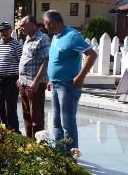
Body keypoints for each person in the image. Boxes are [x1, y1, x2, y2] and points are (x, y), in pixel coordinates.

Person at [43, 9, 97, 151]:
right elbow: (56, 60)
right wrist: (51, 79)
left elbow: (92, 55)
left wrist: (80, 76)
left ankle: (71, 158)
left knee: (68, 124)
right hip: (55, 84)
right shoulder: (56, 37)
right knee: (56, 123)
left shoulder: (72, 36)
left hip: (67, 85)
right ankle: (60, 153)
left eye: (46, 24)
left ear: (52, 23)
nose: (45, 27)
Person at [17, 15, 50, 142]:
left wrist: (36, 82)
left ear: (32, 25)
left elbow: (46, 61)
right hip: (24, 83)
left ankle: (39, 146)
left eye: (23, 25)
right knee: (26, 116)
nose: (21, 28)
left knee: (36, 117)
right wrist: (19, 81)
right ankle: (29, 142)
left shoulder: (42, 38)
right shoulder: (27, 38)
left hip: (34, 84)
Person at [0, 20, 22, 131]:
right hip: (0, 80)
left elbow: (21, 62)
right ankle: (4, 129)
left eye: (6, 31)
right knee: (0, 107)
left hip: (11, 80)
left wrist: (19, 79)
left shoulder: (16, 45)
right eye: (1, 31)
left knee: (10, 108)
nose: (4, 33)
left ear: (10, 31)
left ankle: (13, 131)